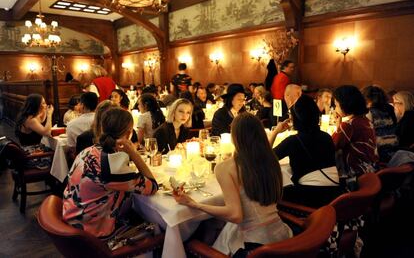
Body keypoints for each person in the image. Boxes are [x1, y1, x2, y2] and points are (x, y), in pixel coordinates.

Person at [174, 113, 292, 256]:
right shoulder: (270, 159)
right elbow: (265, 148)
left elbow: (235, 215)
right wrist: (275, 132)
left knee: (212, 233)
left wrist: (195, 205)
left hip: (256, 248)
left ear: (234, 136)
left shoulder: (226, 168)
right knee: (222, 229)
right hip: (283, 237)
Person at [63, 108, 158, 238]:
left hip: (73, 216)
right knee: (156, 229)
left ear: (102, 127)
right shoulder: (112, 165)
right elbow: (152, 186)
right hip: (91, 233)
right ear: (129, 133)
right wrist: (133, 153)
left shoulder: (89, 151)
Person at [269, 95, 342, 207]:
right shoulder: (327, 137)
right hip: (333, 193)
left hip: (311, 196)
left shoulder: (293, 141)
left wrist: (275, 132)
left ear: (295, 119)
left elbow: (265, 158)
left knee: (273, 194)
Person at [332, 85, 378, 176]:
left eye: (336, 105)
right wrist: (339, 125)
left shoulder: (349, 125)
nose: (335, 109)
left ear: (345, 104)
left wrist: (340, 127)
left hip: (356, 173)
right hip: (371, 168)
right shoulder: (365, 120)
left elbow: (331, 145)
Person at [362, 86, 398, 162]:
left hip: (380, 153)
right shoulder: (390, 108)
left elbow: (367, 136)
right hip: (394, 148)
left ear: (367, 99)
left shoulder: (369, 112)